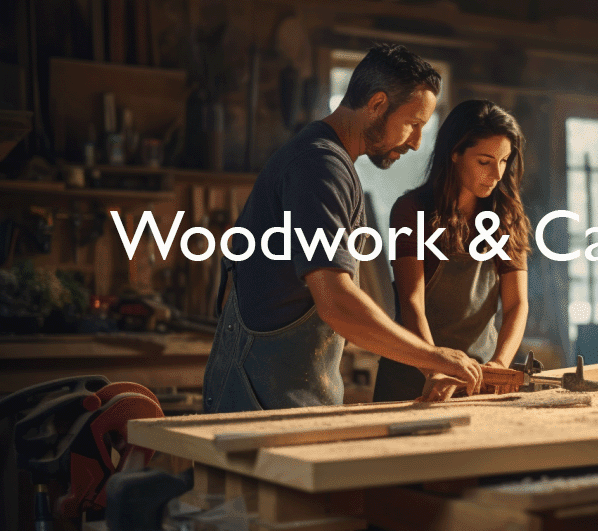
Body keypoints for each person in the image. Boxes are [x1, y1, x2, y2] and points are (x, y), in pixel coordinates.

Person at [202, 45, 482, 413]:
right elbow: (336, 302)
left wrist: (425, 363)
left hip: (279, 393)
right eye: (413, 124)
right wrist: (432, 357)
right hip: (259, 398)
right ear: (378, 103)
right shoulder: (321, 166)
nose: (415, 142)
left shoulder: (323, 158)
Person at [373, 99, 531, 403]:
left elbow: (516, 305)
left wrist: (498, 366)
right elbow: (411, 302)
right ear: (455, 154)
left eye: (503, 161)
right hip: (411, 377)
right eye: (484, 162)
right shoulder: (412, 211)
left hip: (477, 381)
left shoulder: (507, 219)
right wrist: (434, 369)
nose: (496, 175)